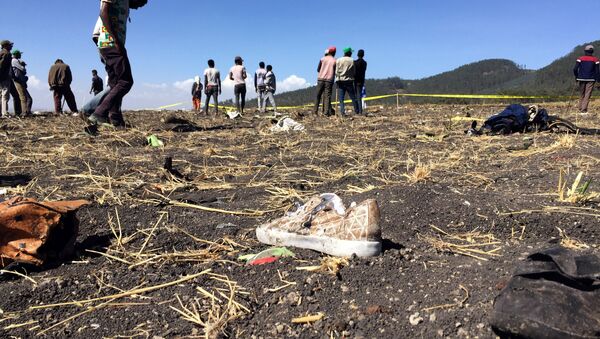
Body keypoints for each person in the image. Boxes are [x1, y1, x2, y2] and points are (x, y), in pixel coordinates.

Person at [88, 0, 147, 130]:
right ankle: (99, 113)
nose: (142, 4)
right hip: (111, 43)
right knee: (125, 81)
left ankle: (115, 118)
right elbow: (104, 13)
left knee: (115, 84)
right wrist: (115, 41)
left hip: (109, 44)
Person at [573, 44, 600, 113]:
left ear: (585, 51)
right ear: (592, 51)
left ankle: (580, 108)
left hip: (581, 78)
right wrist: (598, 80)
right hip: (591, 79)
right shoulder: (596, 59)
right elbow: (597, 71)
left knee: (581, 94)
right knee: (587, 94)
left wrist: (576, 76)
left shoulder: (580, 59)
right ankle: (583, 110)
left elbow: (575, 69)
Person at [335, 47, 360, 116]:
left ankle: (342, 112)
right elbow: (354, 71)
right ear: (350, 53)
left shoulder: (338, 60)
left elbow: (336, 71)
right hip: (349, 81)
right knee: (353, 97)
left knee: (341, 99)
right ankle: (357, 111)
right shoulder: (352, 60)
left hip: (340, 81)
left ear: (344, 53)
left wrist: (337, 78)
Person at [313, 46, 336, 116]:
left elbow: (318, 69)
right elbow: (335, 70)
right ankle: (326, 113)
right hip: (329, 80)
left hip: (321, 79)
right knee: (327, 96)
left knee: (318, 95)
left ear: (328, 52)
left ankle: (315, 112)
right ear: (334, 53)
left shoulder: (322, 59)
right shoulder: (335, 60)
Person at [11, 50, 32, 116]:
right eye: (19, 54)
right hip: (18, 81)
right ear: (17, 54)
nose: (20, 55)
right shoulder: (14, 61)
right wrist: (23, 65)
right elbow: (23, 69)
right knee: (23, 97)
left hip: (19, 80)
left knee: (27, 98)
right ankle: (24, 112)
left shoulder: (15, 61)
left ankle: (26, 112)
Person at [354, 49, 367, 114]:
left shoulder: (355, 62)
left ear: (357, 54)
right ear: (363, 55)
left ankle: (359, 111)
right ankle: (359, 110)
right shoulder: (365, 63)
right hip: (362, 81)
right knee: (359, 95)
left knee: (357, 95)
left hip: (356, 81)